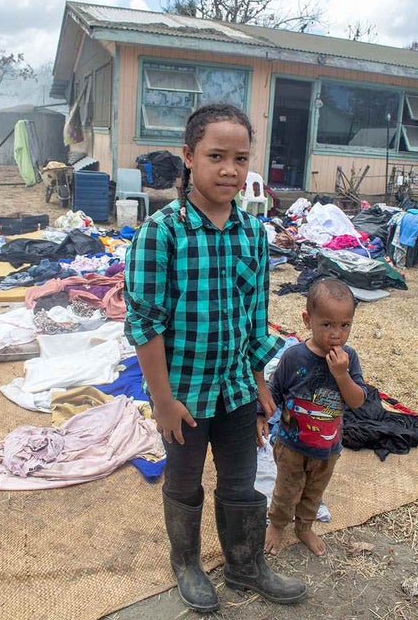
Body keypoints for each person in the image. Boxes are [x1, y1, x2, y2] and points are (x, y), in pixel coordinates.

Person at [124, 104, 307, 613]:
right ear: (188, 157)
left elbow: (254, 317)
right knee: (184, 484)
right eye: (216, 156)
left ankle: (246, 565)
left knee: (240, 483)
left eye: (241, 158)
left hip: (234, 390)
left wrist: (259, 386)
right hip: (183, 393)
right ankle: (185, 563)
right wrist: (161, 401)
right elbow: (144, 324)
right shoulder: (162, 233)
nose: (229, 169)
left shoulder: (252, 234)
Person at [262, 277, 365, 557]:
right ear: (308, 320)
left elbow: (357, 401)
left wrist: (341, 375)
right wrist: (261, 415)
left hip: (328, 448)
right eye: (327, 324)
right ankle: (277, 524)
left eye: (344, 325)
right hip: (292, 444)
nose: (336, 334)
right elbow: (275, 390)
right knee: (286, 489)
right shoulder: (294, 357)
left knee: (314, 491)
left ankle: (304, 526)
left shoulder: (349, 359)